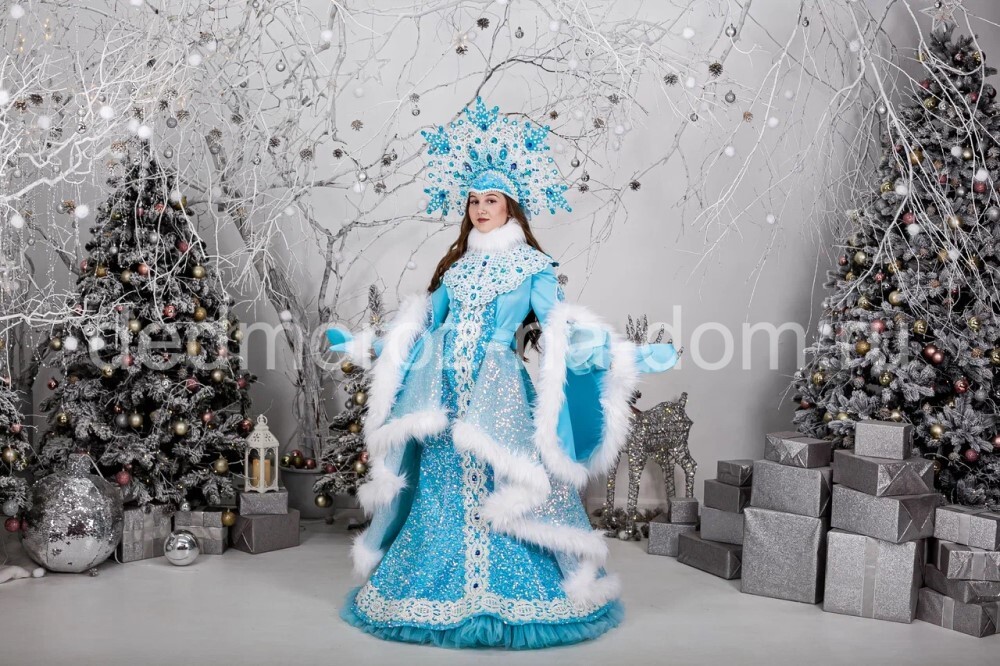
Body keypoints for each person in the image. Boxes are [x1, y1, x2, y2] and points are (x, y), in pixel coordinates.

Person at [326, 97, 678, 649]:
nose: (479, 208)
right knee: (443, 489)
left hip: (498, 392)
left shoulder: (533, 267)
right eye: (472, 200)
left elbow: (561, 328)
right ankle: (437, 589)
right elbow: (420, 326)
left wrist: (623, 355)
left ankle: (510, 592)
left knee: (503, 481)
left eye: (490, 199)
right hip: (443, 391)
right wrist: (368, 345)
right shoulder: (457, 269)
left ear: (511, 206)